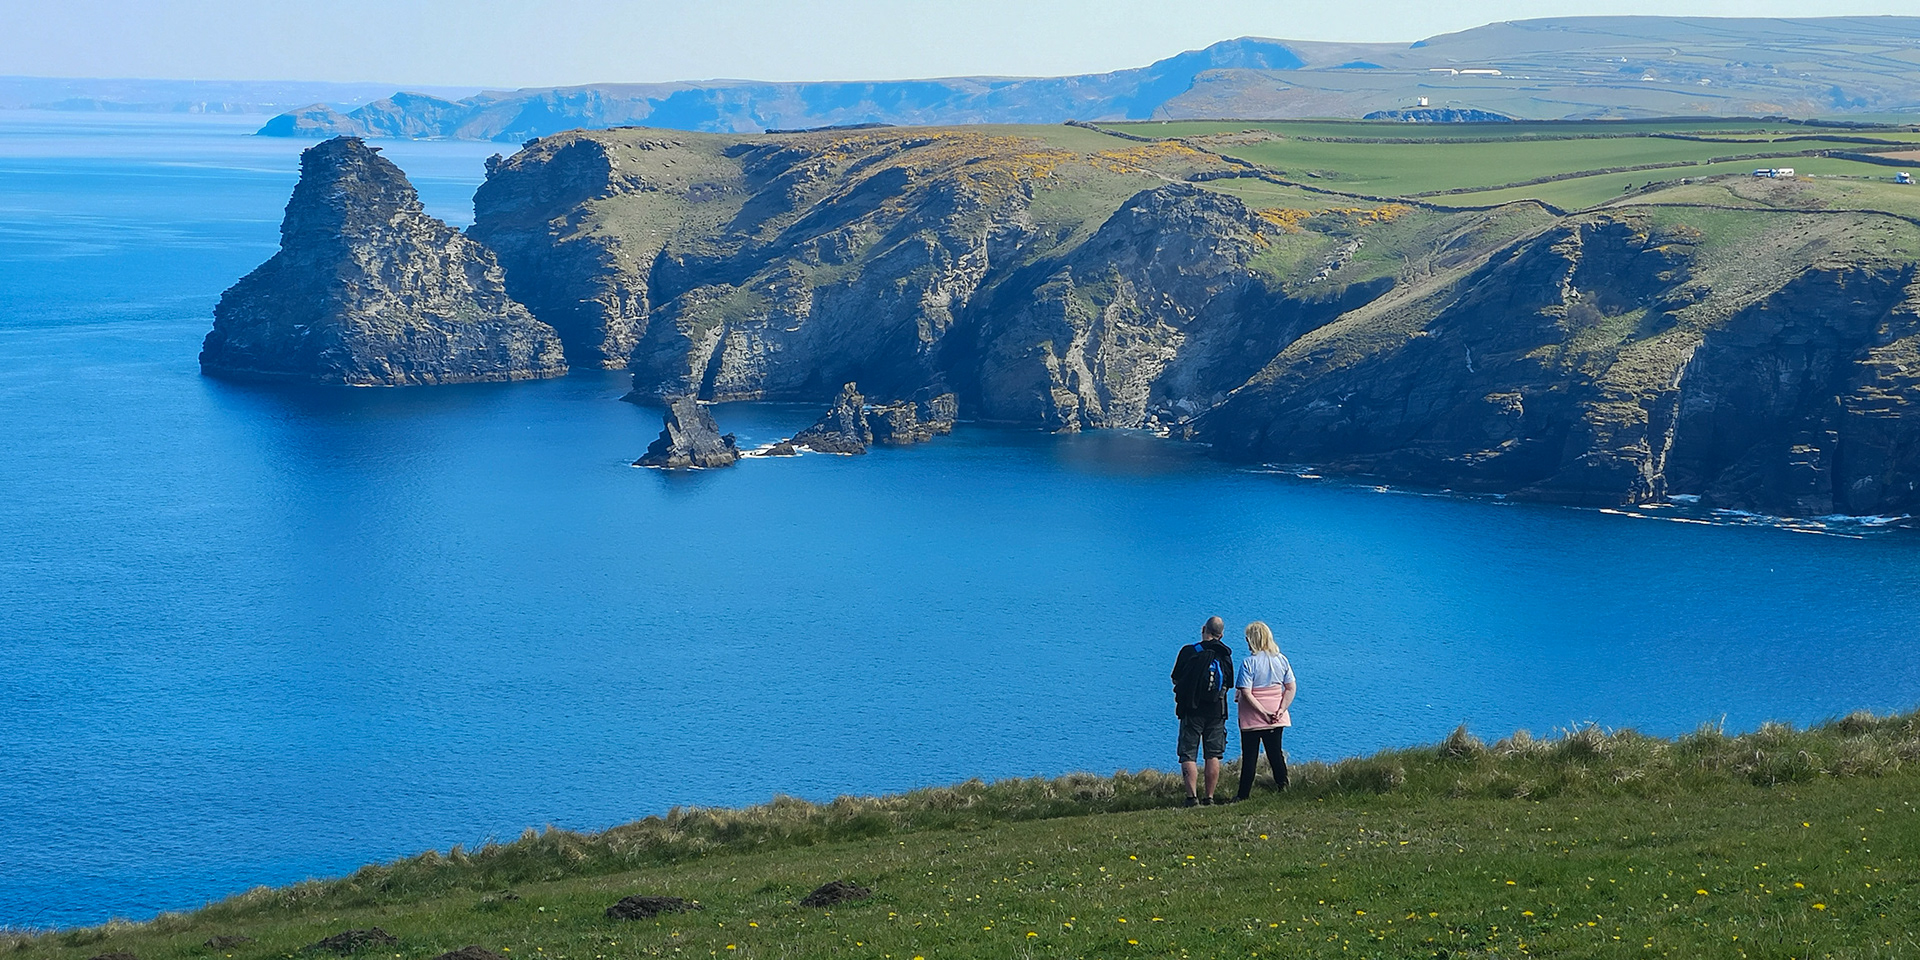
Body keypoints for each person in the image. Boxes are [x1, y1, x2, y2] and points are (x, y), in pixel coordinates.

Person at [1170, 615, 1234, 806]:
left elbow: (1175, 678)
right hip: (1217, 711)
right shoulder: (1225, 654)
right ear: (1221, 634)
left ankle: (1191, 798)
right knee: (1212, 755)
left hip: (1192, 709)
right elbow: (1229, 683)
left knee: (1188, 753)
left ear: (1203, 628)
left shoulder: (1189, 651)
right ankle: (1209, 797)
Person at [1234, 620, 1296, 800]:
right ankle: (1283, 788)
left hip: (1253, 718)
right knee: (1275, 753)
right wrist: (1281, 709)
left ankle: (1243, 795)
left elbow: (1246, 692)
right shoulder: (1281, 659)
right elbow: (1291, 687)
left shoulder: (1248, 663)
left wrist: (1261, 712)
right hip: (1276, 716)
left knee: (1250, 757)